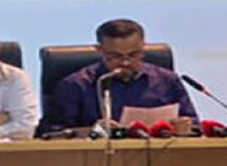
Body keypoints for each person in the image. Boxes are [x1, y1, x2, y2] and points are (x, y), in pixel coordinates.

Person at [41, 19, 197, 134]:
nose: (125, 62)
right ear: (99, 50)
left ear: (144, 48)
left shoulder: (167, 80)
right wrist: (92, 131)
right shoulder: (76, 85)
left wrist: (185, 127)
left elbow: (195, 124)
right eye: (115, 56)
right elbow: (51, 133)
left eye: (134, 54)